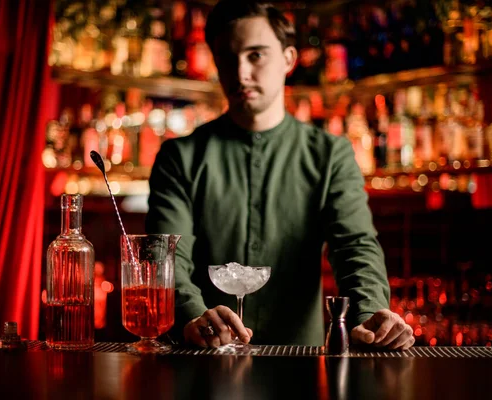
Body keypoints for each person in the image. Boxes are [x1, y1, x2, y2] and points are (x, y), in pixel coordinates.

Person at [146, 0, 414, 350]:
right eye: (228, 57)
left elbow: (355, 245)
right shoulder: (178, 157)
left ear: (289, 59)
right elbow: (166, 255)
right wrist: (192, 315)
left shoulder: (329, 154)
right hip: (203, 359)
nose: (240, 72)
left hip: (301, 364)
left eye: (256, 55)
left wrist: (370, 316)